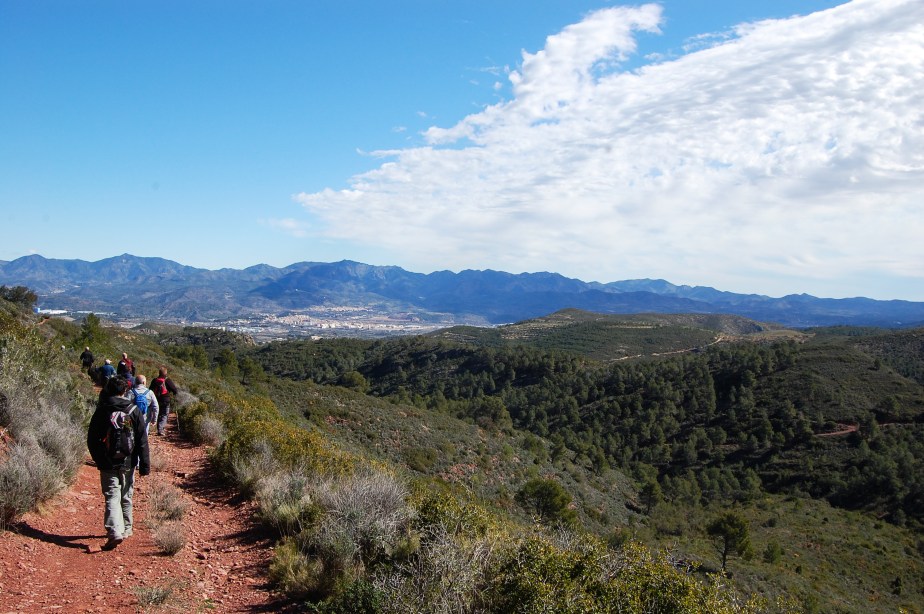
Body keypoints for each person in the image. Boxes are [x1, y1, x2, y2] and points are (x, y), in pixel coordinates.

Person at [86, 376, 150, 550]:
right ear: (124, 391)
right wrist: (144, 465)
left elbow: (92, 438)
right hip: (128, 461)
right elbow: (142, 440)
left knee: (112, 496)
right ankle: (127, 529)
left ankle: (115, 531)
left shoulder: (102, 410)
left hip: (107, 461)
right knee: (126, 494)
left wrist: (99, 458)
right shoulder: (134, 410)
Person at [151, 365, 179, 436]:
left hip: (156, 399)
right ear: (165, 373)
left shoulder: (154, 380)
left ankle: (159, 428)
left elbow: (150, 389)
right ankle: (160, 429)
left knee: (159, 413)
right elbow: (175, 390)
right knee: (164, 415)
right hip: (165, 399)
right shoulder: (167, 380)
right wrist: (174, 394)